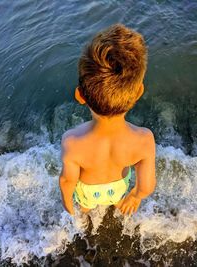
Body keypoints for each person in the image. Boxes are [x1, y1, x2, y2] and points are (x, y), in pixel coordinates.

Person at [59, 23, 156, 216]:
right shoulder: (144, 138)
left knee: (84, 207)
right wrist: (135, 196)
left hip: (88, 191)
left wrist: (68, 205)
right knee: (119, 200)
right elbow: (146, 186)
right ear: (138, 92)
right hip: (119, 188)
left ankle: (85, 217)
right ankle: (119, 205)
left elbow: (67, 181)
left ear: (80, 96)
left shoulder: (72, 141)